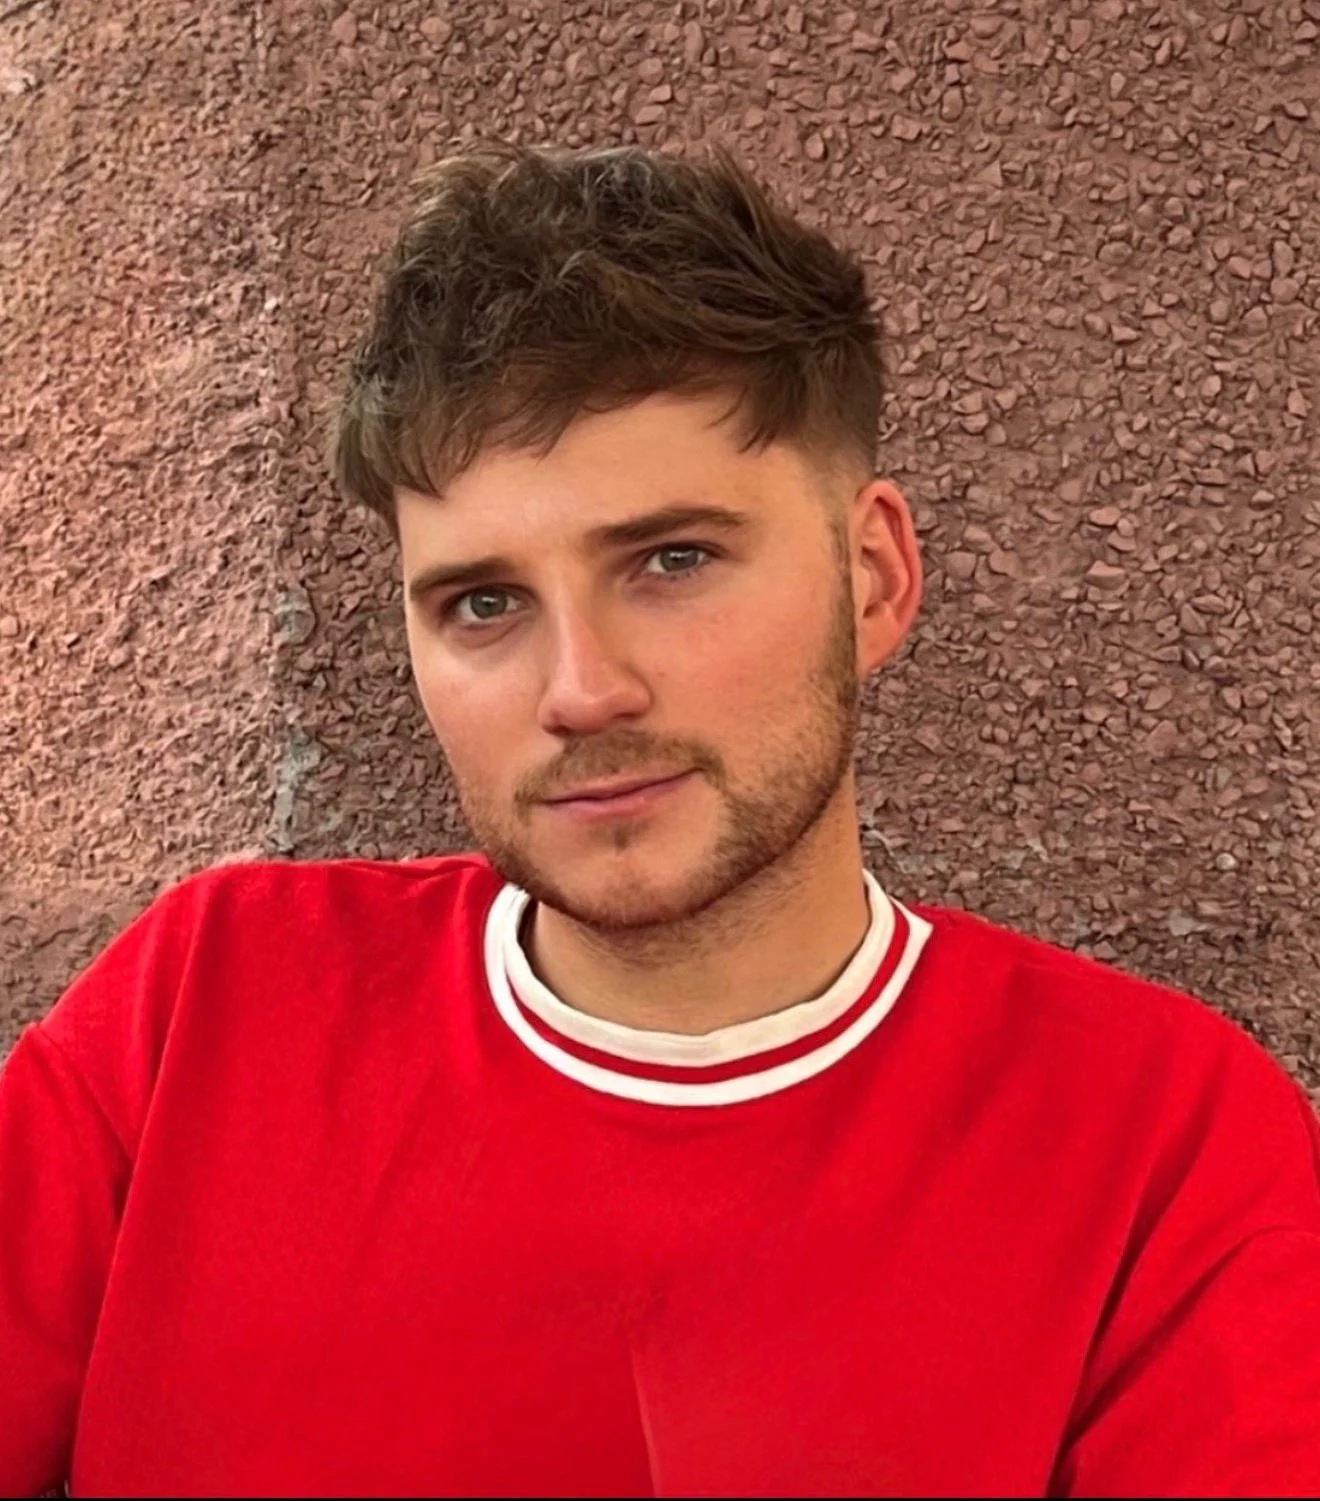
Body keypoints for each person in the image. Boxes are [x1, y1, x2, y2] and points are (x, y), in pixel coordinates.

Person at [3, 139, 1318, 1499]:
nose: (580, 689)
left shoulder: (1164, 1142)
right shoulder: (201, 1006)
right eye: (482, 603)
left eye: (673, 560)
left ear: (871, 581)